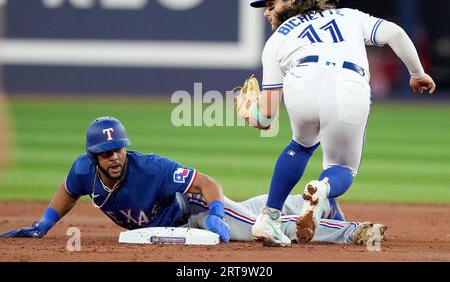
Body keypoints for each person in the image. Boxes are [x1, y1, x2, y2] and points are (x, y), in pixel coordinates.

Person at [247, 0, 436, 246]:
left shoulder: (275, 42)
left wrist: (252, 115)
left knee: (300, 145)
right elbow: (394, 33)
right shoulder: (347, 15)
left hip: (301, 84)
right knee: (341, 167)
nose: (267, 13)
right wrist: (417, 73)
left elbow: (266, 118)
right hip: (348, 86)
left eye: (271, 5)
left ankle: (269, 219)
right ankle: (322, 189)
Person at [0, 116, 386, 245]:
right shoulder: (83, 171)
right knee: (252, 212)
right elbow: (68, 192)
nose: (113, 156)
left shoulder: (151, 167)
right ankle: (313, 203)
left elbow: (207, 184)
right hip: (175, 223)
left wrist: (215, 212)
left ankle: (351, 231)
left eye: (118, 149)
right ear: (93, 157)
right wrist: (42, 226)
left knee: (258, 228)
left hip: (193, 212)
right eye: (105, 153)